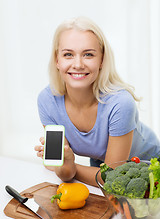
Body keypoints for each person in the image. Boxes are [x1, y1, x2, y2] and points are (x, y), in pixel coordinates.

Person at [34, 16, 160, 187]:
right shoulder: (47, 101)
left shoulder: (120, 104)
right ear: (57, 60)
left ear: (101, 60)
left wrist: (67, 164)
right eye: (68, 54)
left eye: (88, 54)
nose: (78, 64)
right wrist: (66, 163)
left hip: (149, 168)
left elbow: (112, 178)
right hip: (102, 168)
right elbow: (65, 172)